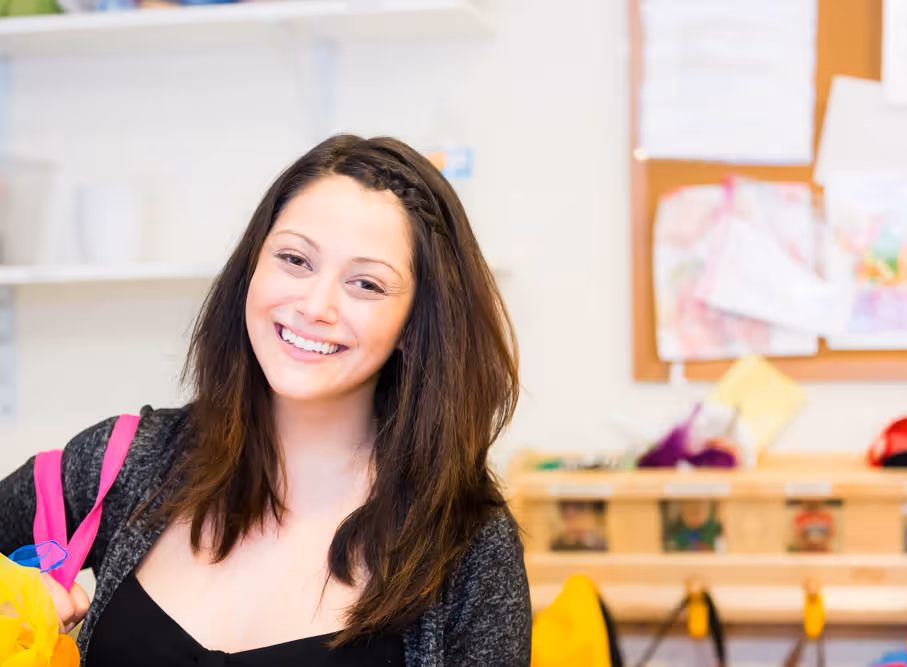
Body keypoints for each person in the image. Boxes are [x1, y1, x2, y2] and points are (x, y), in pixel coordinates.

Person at [0, 135, 531, 665]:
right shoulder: (120, 463)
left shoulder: (471, 547)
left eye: (366, 284)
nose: (315, 305)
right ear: (253, 266)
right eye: (295, 259)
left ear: (416, 324)